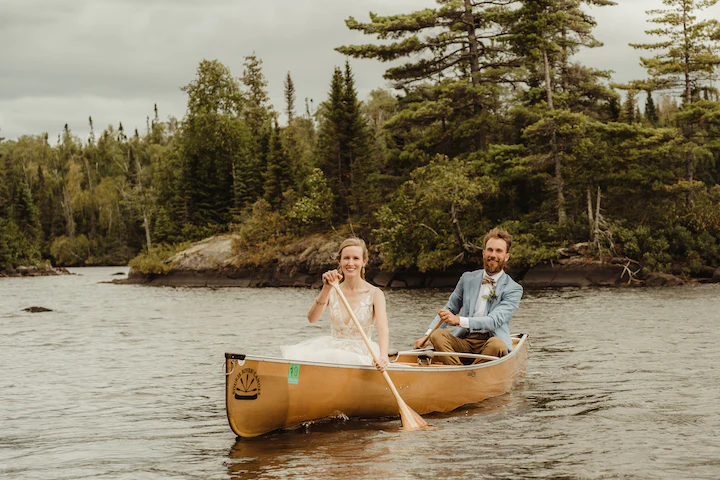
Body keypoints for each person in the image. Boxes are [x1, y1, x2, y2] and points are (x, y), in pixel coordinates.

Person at [413, 227, 523, 365]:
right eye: (490, 250)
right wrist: (426, 336)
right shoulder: (467, 278)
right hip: (464, 341)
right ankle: (457, 371)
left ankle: (471, 373)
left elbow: (493, 321)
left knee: (497, 344)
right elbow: (450, 308)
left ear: (506, 257)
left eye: (498, 251)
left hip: (491, 343)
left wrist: (459, 320)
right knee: (437, 335)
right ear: (483, 253)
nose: (493, 255)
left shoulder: (514, 289)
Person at [281, 237, 390, 372]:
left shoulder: (375, 293)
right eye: (346, 258)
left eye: (356, 258)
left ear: (364, 262)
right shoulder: (333, 289)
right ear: (340, 261)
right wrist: (326, 288)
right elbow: (312, 319)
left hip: (362, 353)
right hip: (331, 351)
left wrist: (382, 356)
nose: (350, 263)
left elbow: (382, 329)